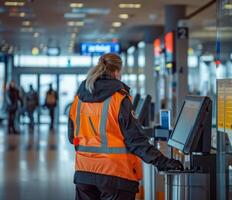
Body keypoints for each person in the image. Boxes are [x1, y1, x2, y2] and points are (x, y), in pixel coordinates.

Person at [68, 53, 183, 200]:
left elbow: (72, 137)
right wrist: (163, 162)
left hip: (84, 173)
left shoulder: (78, 99)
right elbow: (135, 141)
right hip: (115, 175)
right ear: (116, 72)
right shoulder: (119, 98)